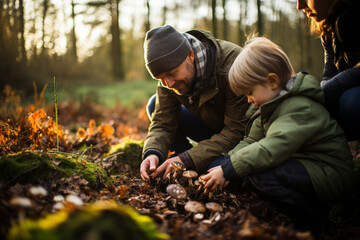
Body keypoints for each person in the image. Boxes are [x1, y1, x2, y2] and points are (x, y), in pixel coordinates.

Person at [202, 37, 355, 231]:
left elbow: (273, 146)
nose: (249, 100)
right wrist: (224, 163)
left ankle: (315, 220)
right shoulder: (268, 106)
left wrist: (231, 168)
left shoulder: (298, 106)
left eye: (250, 92)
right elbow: (251, 141)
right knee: (245, 172)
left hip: (330, 174)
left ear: (273, 81)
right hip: (305, 167)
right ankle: (288, 208)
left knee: (261, 176)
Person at [140, 25, 250, 180]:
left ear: (190, 56)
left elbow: (237, 131)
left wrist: (188, 159)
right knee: (154, 104)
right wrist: (152, 152)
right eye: (161, 78)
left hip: (240, 137)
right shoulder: (168, 76)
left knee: (215, 169)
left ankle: (190, 162)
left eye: (172, 74)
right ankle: (181, 168)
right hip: (210, 126)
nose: (168, 84)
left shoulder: (232, 67)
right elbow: (163, 122)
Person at [297, 0, 360, 141]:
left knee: (351, 102)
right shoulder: (328, 22)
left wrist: (327, 92)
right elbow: (331, 64)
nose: (299, 6)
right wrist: (322, 89)